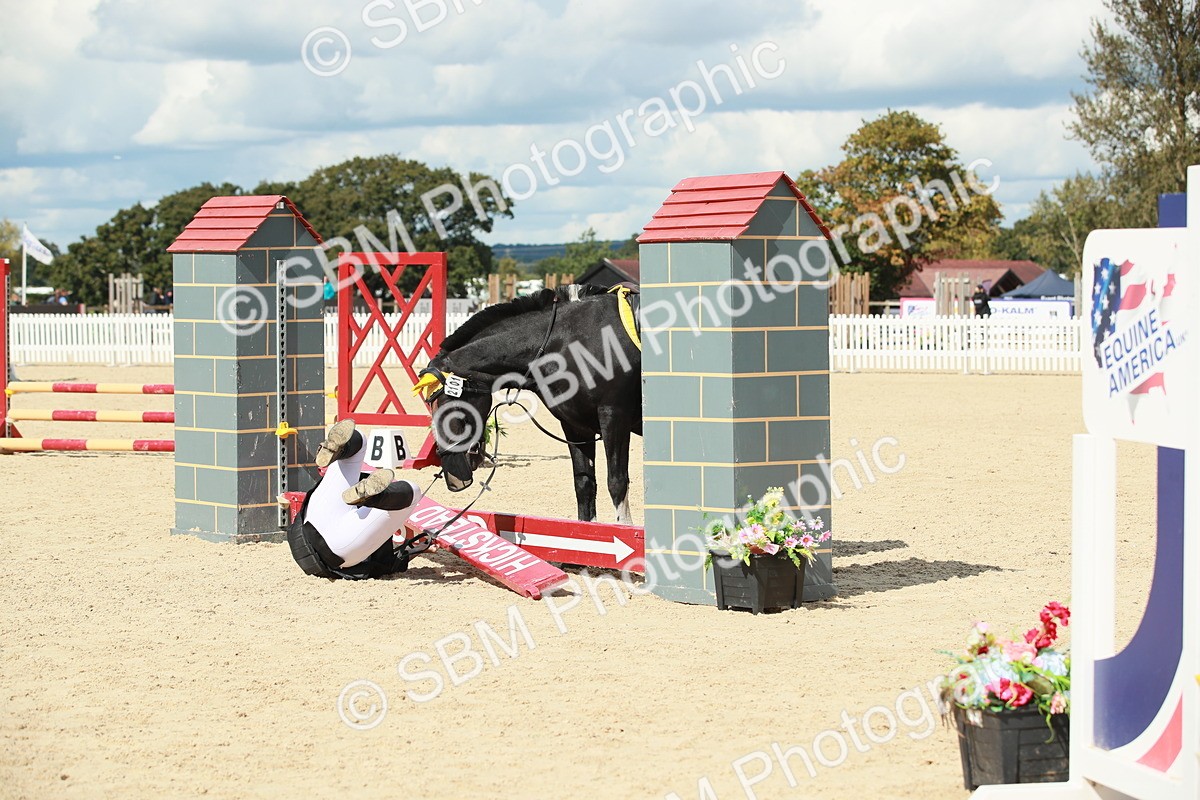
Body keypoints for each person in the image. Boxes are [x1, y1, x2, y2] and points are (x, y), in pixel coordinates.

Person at [286, 419, 425, 580]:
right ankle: (373, 495)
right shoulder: (371, 542)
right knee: (412, 491)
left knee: (411, 489)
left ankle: (343, 451)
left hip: (315, 528)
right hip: (322, 541)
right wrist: (417, 550)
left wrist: (416, 549)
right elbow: (387, 566)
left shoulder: (371, 537)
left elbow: (386, 563)